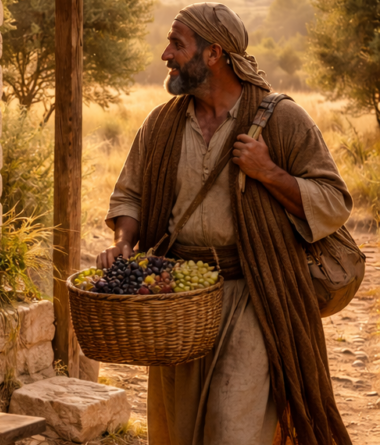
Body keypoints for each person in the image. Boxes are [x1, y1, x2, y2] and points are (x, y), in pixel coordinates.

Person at [96, 3, 352, 444]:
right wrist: (124, 242)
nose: (165, 54)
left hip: (255, 292)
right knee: (176, 428)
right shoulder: (161, 124)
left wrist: (270, 171)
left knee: (234, 430)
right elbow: (130, 194)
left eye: (177, 43)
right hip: (177, 300)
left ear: (214, 53)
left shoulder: (283, 119)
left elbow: (335, 202)